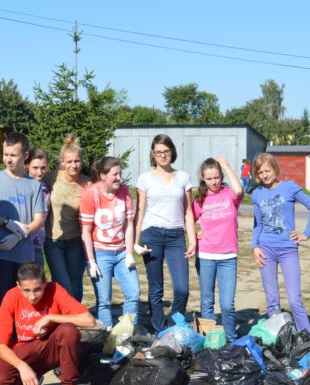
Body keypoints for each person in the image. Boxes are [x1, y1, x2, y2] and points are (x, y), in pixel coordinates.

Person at [0, 262, 94, 385]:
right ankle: (30, 383)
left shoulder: (55, 290)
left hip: (52, 348)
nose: (32, 296)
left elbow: (89, 320)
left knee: (68, 330)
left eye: (37, 289)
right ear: (18, 286)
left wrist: (50, 317)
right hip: (26, 352)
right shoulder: (11, 296)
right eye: (26, 290)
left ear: (45, 282)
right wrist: (22, 367)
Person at [0, 132, 46, 373]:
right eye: (5, 154)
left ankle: (21, 353)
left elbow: (39, 218)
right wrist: (4, 222)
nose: (8, 159)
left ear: (25, 155)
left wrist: (21, 232)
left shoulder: (33, 185)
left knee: (25, 307)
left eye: (13, 155)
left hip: (25, 257)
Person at [250, 153, 310, 335]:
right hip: (265, 249)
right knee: (272, 301)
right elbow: (257, 224)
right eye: (260, 172)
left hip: (288, 250)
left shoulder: (289, 187)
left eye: (267, 170)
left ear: (274, 169)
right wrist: (254, 247)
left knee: (295, 299)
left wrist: (306, 233)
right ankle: (280, 340)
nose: (265, 175)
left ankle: (306, 338)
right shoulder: (257, 194)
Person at [134, 134, 197, 333]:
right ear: (153, 154)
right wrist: (135, 242)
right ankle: (159, 330)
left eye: (166, 151)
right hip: (151, 235)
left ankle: (173, 326)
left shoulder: (183, 177)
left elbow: (188, 211)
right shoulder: (144, 178)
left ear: (172, 152)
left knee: (182, 289)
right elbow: (140, 211)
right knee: (156, 289)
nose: (163, 155)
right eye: (159, 152)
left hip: (176, 236)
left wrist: (192, 240)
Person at [80, 156, 140, 329]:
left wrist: (129, 254)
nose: (119, 178)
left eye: (120, 173)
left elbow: (129, 225)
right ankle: (106, 336)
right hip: (100, 253)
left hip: (121, 251)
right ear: (103, 175)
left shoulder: (124, 192)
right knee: (104, 299)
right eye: (115, 174)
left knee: (134, 293)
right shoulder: (91, 194)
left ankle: (128, 332)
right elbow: (85, 231)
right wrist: (91, 262)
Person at [193, 155, 244, 341]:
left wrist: (226, 165)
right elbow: (188, 221)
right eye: (209, 178)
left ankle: (230, 339)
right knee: (207, 302)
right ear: (203, 179)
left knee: (227, 305)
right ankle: (210, 340)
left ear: (221, 176)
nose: (214, 182)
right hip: (205, 255)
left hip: (228, 257)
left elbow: (239, 189)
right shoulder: (199, 199)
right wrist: (195, 233)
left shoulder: (229, 194)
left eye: (217, 177)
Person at [43, 134, 90, 302]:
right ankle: (67, 318)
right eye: (69, 162)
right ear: (62, 162)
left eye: (77, 161)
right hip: (53, 240)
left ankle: (73, 322)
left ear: (81, 161)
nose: (73, 165)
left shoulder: (86, 183)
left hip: (76, 241)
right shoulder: (51, 177)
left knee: (75, 283)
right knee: (63, 283)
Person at [25, 148, 50, 264]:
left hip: (39, 240)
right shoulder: (23, 185)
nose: (39, 172)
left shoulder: (46, 187)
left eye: (43, 168)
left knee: (37, 277)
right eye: (35, 168)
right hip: (22, 239)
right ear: (27, 166)